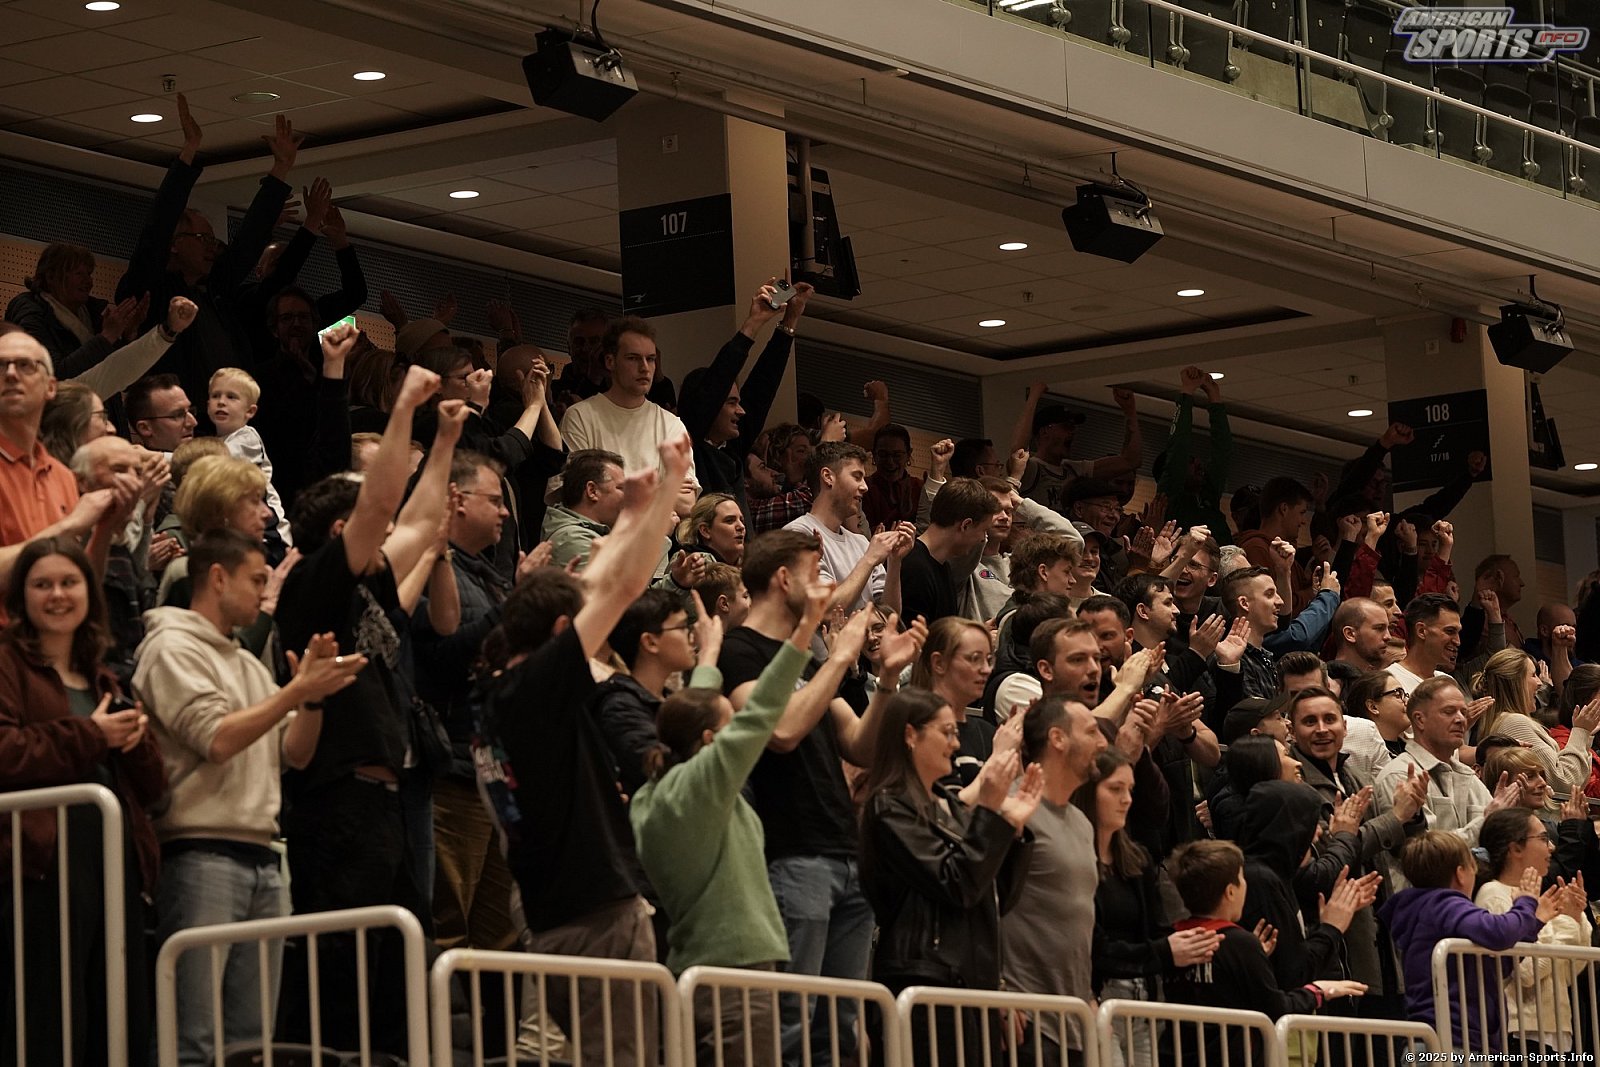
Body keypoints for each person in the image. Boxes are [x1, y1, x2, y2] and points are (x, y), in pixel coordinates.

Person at [474, 433, 692, 1067]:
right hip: (589, 909)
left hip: (560, 903)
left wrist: (631, 516)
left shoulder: (498, 690)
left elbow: (596, 585)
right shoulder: (534, 688)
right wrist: (667, 489)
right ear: (560, 634)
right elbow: (620, 591)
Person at [271, 357, 466, 1054]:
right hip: (336, 806)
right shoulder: (314, 585)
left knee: (397, 980)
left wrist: (445, 441)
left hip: (383, 805)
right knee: (339, 986)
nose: (384, 532)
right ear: (339, 531)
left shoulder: (367, 590)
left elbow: (418, 524)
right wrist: (405, 407)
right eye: (364, 522)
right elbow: (385, 510)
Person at [133, 528, 364, 1066]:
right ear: (218, 578)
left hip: (262, 857)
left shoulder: (246, 663)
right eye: (257, 580)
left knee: (251, 1045)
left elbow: (295, 754)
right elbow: (216, 740)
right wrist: (294, 691)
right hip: (200, 854)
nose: (265, 593)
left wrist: (312, 700)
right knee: (192, 1039)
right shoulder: (170, 647)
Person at [716, 531, 927, 1065]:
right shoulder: (738, 651)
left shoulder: (808, 664)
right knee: (792, 1024)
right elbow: (781, 730)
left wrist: (886, 680)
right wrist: (841, 656)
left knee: (839, 1029)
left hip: (844, 851)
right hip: (790, 852)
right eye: (816, 574)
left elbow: (860, 745)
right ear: (783, 579)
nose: (827, 588)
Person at [0, 537, 166, 1067]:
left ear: (89, 594)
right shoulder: (6, 662)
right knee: (49, 1017)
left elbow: (154, 788)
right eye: (42, 584)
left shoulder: (103, 676)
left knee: (112, 1015)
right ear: (21, 597)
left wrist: (136, 742)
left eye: (69, 583)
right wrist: (92, 736)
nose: (57, 595)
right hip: (39, 865)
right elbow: (6, 752)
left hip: (110, 862)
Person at [859, 688, 1042, 1067]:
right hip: (928, 981)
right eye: (946, 732)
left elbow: (997, 896)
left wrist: (1013, 830)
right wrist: (989, 814)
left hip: (974, 981)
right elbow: (956, 883)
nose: (956, 744)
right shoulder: (889, 806)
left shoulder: (950, 805)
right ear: (910, 734)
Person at [114, 95, 302, 430]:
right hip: (181, 424)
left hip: (233, 425)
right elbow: (156, 229)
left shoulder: (213, 289)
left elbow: (247, 244)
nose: (211, 248)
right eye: (202, 238)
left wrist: (280, 169)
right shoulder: (152, 291)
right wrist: (188, 153)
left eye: (212, 240)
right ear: (174, 245)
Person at [411, 450, 520, 953]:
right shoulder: (423, 566)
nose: (505, 512)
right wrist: (517, 610)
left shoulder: (485, 573)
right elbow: (444, 657)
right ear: (457, 500)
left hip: (493, 773)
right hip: (452, 776)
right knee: (449, 925)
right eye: (495, 500)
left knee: (501, 935)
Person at [1076, 748, 1220, 1067]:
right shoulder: (1075, 860)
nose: (1126, 799)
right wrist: (1164, 951)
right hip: (1096, 997)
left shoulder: (1136, 859)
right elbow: (1091, 947)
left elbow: (1157, 929)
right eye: (1115, 789)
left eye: (1130, 790)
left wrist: (1194, 944)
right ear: (1087, 792)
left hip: (1144, 997)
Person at [1165, 839, 1366, 1065]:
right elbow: (1275, 1008)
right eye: (1242, 878)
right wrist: (1317, 991)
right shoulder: (1240, 944)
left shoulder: (1174, 939)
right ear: (1230, 892)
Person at [1379, 830, 1582, 1051]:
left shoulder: (1430, 911)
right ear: (1461, 874)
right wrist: (1525, 903)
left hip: (1449, 1040)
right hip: (1452, 1041)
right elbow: (1498, 932)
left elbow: (1496, 965)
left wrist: (1534, 922)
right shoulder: (1445, 905)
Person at [1001, 696, 1110, 1063]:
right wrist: (995, 988)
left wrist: (1089, 996)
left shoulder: (1082, 822)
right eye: (1092, 732)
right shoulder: (1012, 807)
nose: (1103, 743)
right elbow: (977, 901)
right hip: (1024, 1019)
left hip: (1075, 1020)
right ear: (1058, 739)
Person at [0, 331, 134, 589]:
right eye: (1, 366)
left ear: (50, 387)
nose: (11, 374)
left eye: (25, 365)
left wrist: (105, 529)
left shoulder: (61, 475)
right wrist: (71, 526)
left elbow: (79, 583)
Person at [676, 282, 810, 522]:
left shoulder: (731, 450)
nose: (741, 411)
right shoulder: (691, 448)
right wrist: (753, 323)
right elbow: (719, 377)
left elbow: (762, 388)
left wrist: (789, 321)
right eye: (730, 402)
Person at [1373, 677, 1517, 889]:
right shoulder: (1400, 776)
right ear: (1420, 720)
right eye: (1449, 712)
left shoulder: (1467, 776)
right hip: (1423, 900)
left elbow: (1497, 838)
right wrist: (1487, 821)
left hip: (1471, 894)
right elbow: (1424, 857)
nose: (1461, 720)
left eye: (1463, 712)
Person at [1474, 808, 1593, 1057]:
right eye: (1543, 839)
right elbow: (1527, 971)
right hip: (1520, 1031)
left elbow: (1568, 972)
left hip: (1556, 1029)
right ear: (1516, 848)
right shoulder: (1493, 894)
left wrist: (1575, 916)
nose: (1552, 847)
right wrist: (1565, 922)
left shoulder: (1537, 899)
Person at [557, 315, 695, 486]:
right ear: (610, 361)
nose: (644, 368)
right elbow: (582, 493)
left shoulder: (671, 424)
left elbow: (687, 498)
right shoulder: (579, 417)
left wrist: (615, 488)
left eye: (650, 359)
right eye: (633, 358)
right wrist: (663, 488)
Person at [784, 441, 910, 615]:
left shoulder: (861, 543)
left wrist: (894, 561)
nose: (865, 487)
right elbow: (823, 610)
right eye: (857, 477)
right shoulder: (798, 534)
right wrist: (869, 559)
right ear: (828, 477)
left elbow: (891, 615)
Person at [1472, 647, 1597, 797]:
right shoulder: (1513, 723)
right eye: (1533, 675)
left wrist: (1585, 735)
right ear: (1516, 683)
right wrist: (1581, 732)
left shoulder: (1506, 721)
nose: (1539, 683)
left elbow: (1576, 785)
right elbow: (1563, 783)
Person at [1012, 382, 1141, 512]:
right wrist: (1034, 396)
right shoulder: (1032, 468)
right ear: (1045, 431)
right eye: (1067, 426)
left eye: (1074, 427)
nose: (1073, 432)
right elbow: (1018, 453)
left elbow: (1131, 461)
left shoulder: (1074, 470)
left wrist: (1130, 411)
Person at [907, 617, 1001, 790]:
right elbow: (948, 803)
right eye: (975, 659)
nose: (987, 669)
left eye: (988, 659)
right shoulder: (922, 729)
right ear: (939, 663)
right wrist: (999, 758)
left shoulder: (988, 731)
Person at [207, 367, 293, 549]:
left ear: (250, 411)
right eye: (215, 396)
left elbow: (203, 462)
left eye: (231, 397)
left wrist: (153, 457)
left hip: (270, 532)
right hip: (242, 530)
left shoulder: (247, 438)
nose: (221, 402)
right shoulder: (216, 440)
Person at [900, 477, 999, 625]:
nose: (982, 539)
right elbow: (913, 637)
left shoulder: (942, 566)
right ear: (965, 525)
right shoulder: (914, 568)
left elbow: (940, 632)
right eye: (983, 530)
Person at [1154, 366, 1232, 536]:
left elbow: (1222, 452)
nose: (1198, 463)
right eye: (1189, 461)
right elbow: (1179, 446)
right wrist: (1186, 392)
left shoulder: (1207, 495)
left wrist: (1214, 397)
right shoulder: (1170, 496)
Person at [543, 449, 626, 571]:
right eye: (621, 488)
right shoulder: (573, 540)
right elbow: (624, 584)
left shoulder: (581, 534)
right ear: (592, 491)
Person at [1341, 669, 1410, 780]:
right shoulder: (1365, 755)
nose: (1407, 701)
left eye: (1405, 695)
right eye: (1398, 695)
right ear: (1373, 707)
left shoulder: (1409, 748)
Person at [1389, 593, 1462, 694]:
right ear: (1421, 631)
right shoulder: (1390, 681)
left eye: (1458, 632)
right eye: (1450, 631)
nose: (1457, 641)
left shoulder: (1448, 682)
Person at [862, 423, 922, 532]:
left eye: (897, 455)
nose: (890, 462)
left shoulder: (919, 488)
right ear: (874, 455)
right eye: (883, 454)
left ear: (908, 455)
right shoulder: (863, 488)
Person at [680, 492, 747, 565]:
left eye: (742, 520)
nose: (741, 526)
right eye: (729, 520)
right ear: (705, 531)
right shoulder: (687, 566)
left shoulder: (750, 564)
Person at [1328, 597, 1391, 671]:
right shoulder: (1324, 678)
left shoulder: (1381, 677)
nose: (1388, 637)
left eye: (1388, 628)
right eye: (1379, 628)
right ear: (1350, 634)